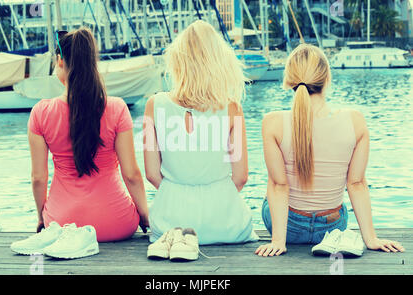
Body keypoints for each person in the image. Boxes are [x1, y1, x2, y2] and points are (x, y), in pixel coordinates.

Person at [255, 43, 405, 257]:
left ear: (288, 81)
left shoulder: (272, 122)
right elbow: (357, 183)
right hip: (332, 227)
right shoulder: (355, 121)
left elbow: (279, 186)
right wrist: (371, 238)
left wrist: (278, 240)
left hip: (289, 230)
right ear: (327, 79)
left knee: (272, 187)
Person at [27, 27, 149, 242]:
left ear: (60, 61)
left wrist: (41, 217)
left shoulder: (40, 113)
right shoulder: (117, 108)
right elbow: (131, 175)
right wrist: (145, 216)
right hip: (116, 222)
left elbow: (38, 178)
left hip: (61, 224)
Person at [143, 20, 258, 245]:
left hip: (170, 223)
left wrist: (179, 191)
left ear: (178, 61)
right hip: (225, 222)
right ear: (218, 61)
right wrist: (213, 193)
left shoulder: (154, 104)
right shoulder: (232, 107)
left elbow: (152, 174)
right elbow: (241, 176)